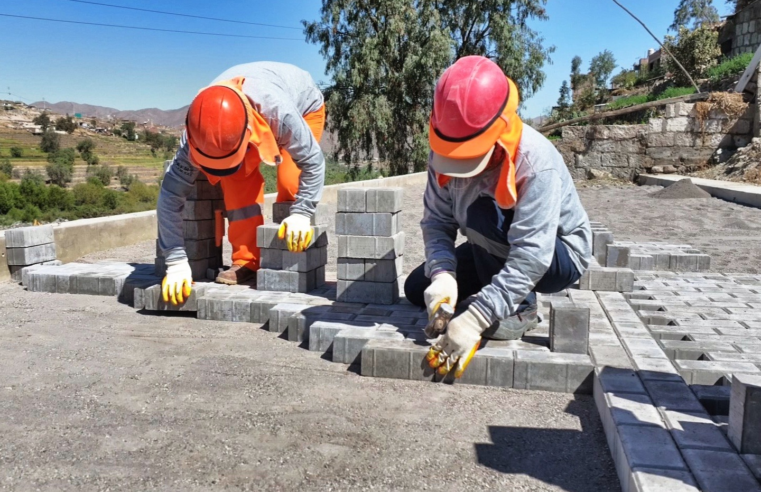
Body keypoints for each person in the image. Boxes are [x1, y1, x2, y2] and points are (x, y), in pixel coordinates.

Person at [404, 56, 592, 378]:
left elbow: (532, 253)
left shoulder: (535, 162)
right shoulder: (443, 150)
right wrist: (442, 275)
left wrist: (478, 316)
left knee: (481, 213)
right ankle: (490, 289)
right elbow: (437, 221)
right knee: (416, 289)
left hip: (556, 256)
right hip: (491, 244)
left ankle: (522, 307)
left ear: (499, 129)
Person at [157, 62, 326, 304]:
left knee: (291, 181)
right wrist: (174, 260)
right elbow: (169, 198)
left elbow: (314, 162)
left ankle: (288, 259)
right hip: (242, 119)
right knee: (236, 185)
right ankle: (247, 260)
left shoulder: (282, 114)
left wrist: (302, 212)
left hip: (304, 107)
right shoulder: (196, 131)